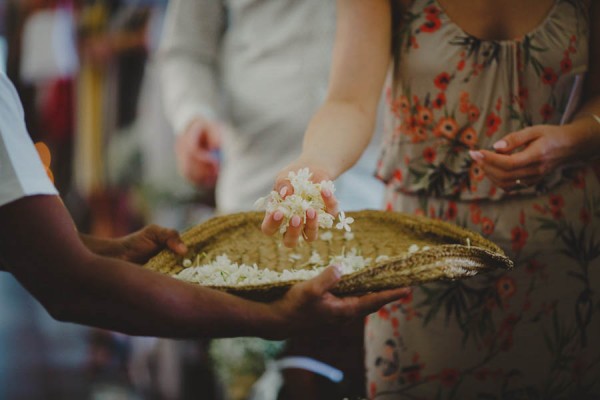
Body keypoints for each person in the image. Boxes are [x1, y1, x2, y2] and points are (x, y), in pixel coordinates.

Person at [262, 0, 600, 398]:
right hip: (421, 256)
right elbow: (349, 100)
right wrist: (315, 165)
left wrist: (573, 140)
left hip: (565, 246)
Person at [0, 70, 409, 343]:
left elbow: (19, 240)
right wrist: (276, 320)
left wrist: (109, 250)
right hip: (250, 179)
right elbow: (69, 284)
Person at [157, 1, 386, 398]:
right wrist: (194, 117)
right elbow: (186, 49)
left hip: (375, 196)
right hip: (258, 196)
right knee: (259, 377)